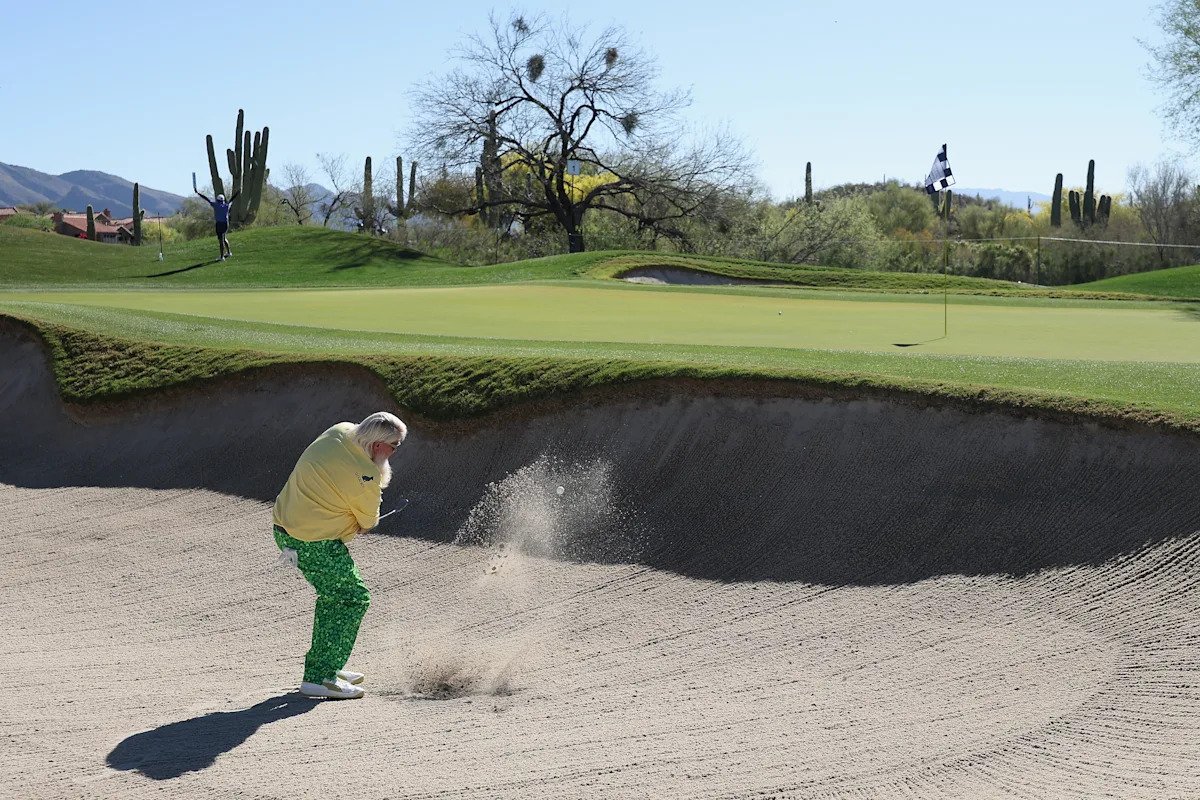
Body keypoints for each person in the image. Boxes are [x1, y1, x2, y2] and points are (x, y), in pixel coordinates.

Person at [272, 411, 408, 700]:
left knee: (335, 597)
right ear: (377, 445)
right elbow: (368, 522)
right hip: (312, 542)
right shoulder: (367, 474)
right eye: (394, 446)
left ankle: (325, 668)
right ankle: (319, 677)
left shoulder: (340, 430)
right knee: (352, 598)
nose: (395, 452)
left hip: (285, 528)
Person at [194, 188, 239, 261]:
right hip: (226, 224)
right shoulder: (227, 205)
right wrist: (237, 193)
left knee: (221, 240)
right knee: (224, 238)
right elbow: (232, 199)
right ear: (223, 200)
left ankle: (222, 257)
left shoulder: (215, 205)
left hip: (219, 225)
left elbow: (207, 199)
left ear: (217, 200)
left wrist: (198, 193)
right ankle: (229, 253)